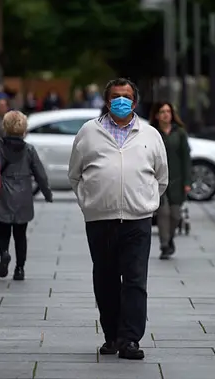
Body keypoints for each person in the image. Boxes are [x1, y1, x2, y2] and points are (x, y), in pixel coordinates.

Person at [68, 78, 169, 360]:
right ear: (107, 100)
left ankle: (130, 340)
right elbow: (74, 174)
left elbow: (161, 178)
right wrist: (90, 202)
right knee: (106, 279)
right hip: (100, 219)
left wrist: (145, 201)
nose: (121, 101)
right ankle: (111, 335)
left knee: (136, 280)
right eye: (116, 96)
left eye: (126, 96)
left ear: (134, 102)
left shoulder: (150, 134)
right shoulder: (88, 132)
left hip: (137, 219)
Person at [0, 110, 52, 281]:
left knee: (3, 230)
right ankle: (19, 269)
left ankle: (4, 253)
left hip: (3, 193)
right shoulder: (29, 150)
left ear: (5, 127)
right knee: (21, 234)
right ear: (24, 129)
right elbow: (40, 174)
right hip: (23, 195)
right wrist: (47, 193)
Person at [149, 101, 191, 260]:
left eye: (168, 111)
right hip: (158, 180)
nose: (165, 114)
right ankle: (164, 244)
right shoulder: (152, 133)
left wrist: (187, 181)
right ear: (156, 115)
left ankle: (170, 237)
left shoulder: (179, 133)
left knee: (175, 215)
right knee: (163, 212)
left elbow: (186, 158)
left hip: (177, 180)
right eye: (162, 111)